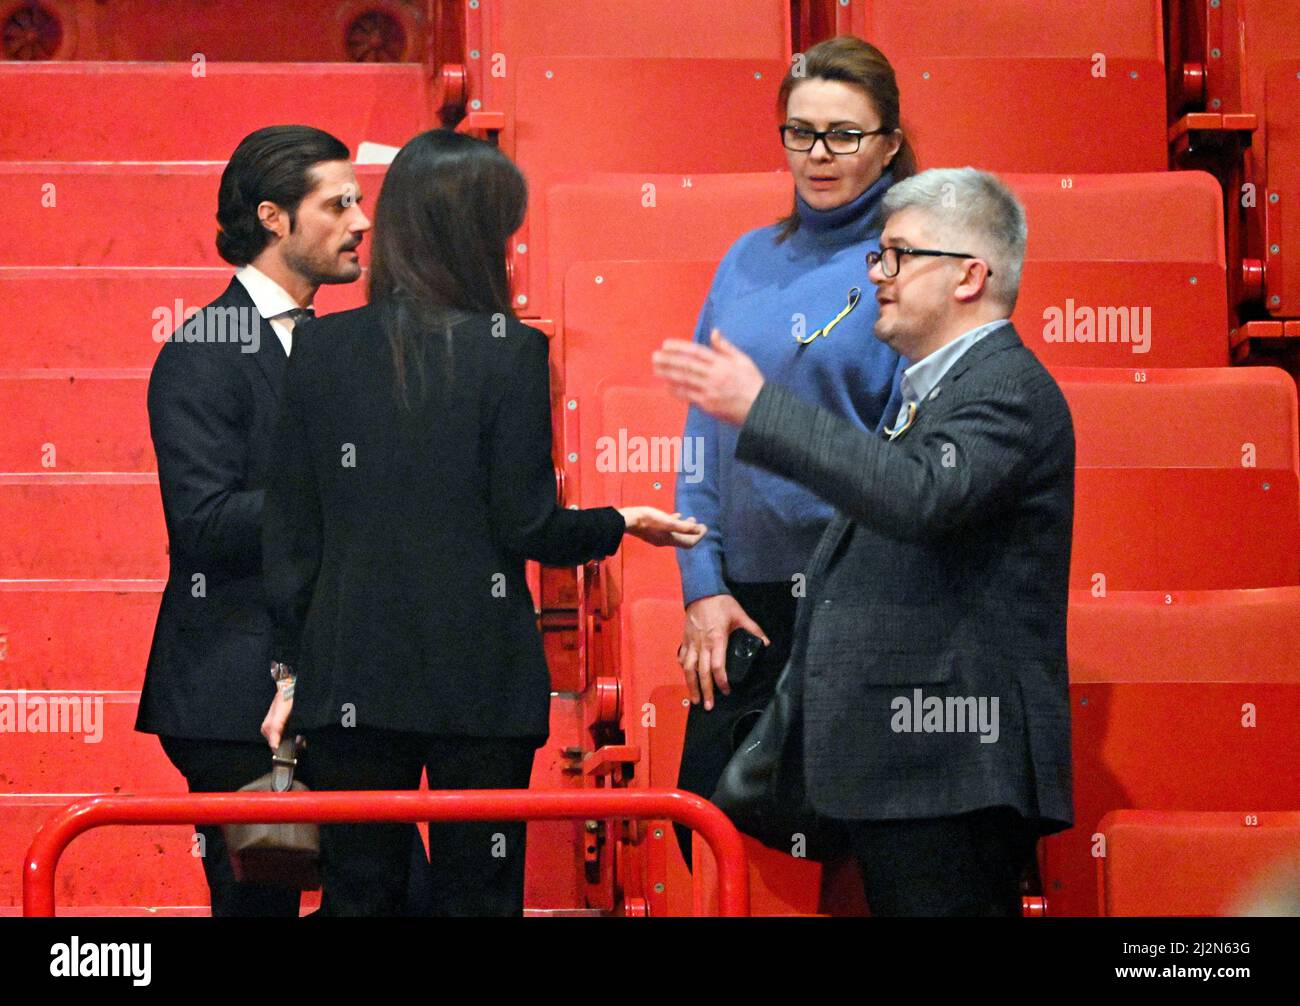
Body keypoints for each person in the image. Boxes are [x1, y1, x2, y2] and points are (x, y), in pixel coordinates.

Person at [259, 129, 706, 917]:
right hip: (480, 680)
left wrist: (292, 673)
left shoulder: (318, 346)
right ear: (480, 235)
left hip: (349, 673)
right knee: (480, 897)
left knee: (360, 894)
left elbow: (293, 537)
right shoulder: (511, 355)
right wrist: (619, 521)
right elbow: (527, 524)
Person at [654, 167, 1075, 916]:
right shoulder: (933, 389)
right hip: (906, 766)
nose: (877, 274)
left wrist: (763, 408)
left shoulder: (1003, 388)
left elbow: (918, 495)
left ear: (968, 276)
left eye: (898, 255)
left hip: (951, 770)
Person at [671, 36, 914, 865]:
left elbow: (910, 456)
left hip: (863, 601)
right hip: (746, 605)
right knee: (717, 832)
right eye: (800, 131)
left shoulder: (911, 263)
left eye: (845, 133)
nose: (819, 153)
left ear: (888, 142)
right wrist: (702, 585)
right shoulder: (747, 257)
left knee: (857, 855)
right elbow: (702, 439)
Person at [138, 125, 371, 916]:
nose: (360, 221)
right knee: (255, 913)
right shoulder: (202, 348)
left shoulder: (346, 345)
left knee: (388, 889)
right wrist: (344, 498)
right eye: (337, 204)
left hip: (336, 680)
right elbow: (202, 524)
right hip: (230, 690)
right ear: (273, 218)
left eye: (359, 201)